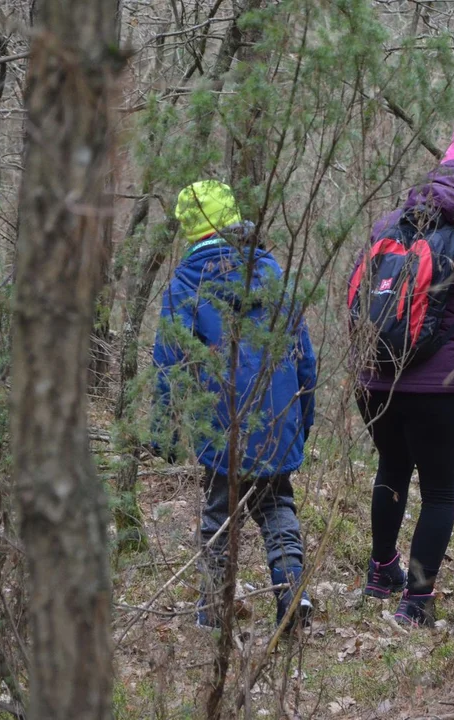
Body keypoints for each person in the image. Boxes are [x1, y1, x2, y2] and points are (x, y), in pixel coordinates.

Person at [354, 124, 454, 627]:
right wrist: (453, 344)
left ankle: (382, 574)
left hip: (374, 377)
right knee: (440, 492)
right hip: (435, 388)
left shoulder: (389, 223)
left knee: (391, 470)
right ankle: (416, 603)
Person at [153, 180, 318, 631]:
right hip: (277, 415)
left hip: (220, 423)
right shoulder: (272, 273)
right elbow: (303, 354)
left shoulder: (187, 282)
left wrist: (163, 429)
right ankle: (292, 597)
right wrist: (304, 416)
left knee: (219, 520)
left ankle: (211, 616)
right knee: (277, 507)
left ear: (191, 231)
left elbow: (170, 361)